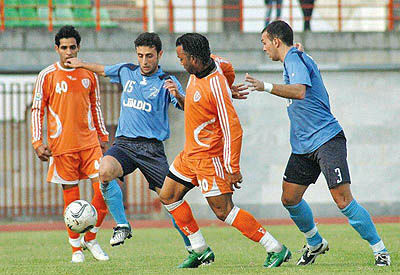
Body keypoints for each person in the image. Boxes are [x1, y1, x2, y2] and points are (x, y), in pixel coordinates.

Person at [244, 20, 391, 266]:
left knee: (342, 199)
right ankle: (315, 243)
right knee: (289, 198)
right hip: (303, 146)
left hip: (326, 139)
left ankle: (380, 250)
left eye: (264, 42)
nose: (263, 48)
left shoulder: (294, 59)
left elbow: (300, 91)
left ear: (276, 41)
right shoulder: (294, 58)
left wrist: (265, 86)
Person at [158, 33, 291, 269]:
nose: (180, 62)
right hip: (190, 155)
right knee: (168, 195)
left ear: (194, 59)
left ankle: (275, 248)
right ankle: (199, 250)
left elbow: (234, 129)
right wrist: (230, 86)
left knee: (224, 211)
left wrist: (232, 168)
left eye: (181, 59)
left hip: (210, 158)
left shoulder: (214, 86)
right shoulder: (213, 63)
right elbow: (228, 67)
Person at [31, 25, 109, 263]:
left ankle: (90, 238)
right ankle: (76, 249)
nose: (68, 52)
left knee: (105, 193)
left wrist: (103, 137)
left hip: (90, 145)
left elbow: (95, 108)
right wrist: (37, 141)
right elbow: (37, 109)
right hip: (62, 148)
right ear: (57, 49)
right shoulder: (47, 75)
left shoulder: (89, 74)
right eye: (63, 48)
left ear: (78, 48)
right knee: (72, 205)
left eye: (72, 47)